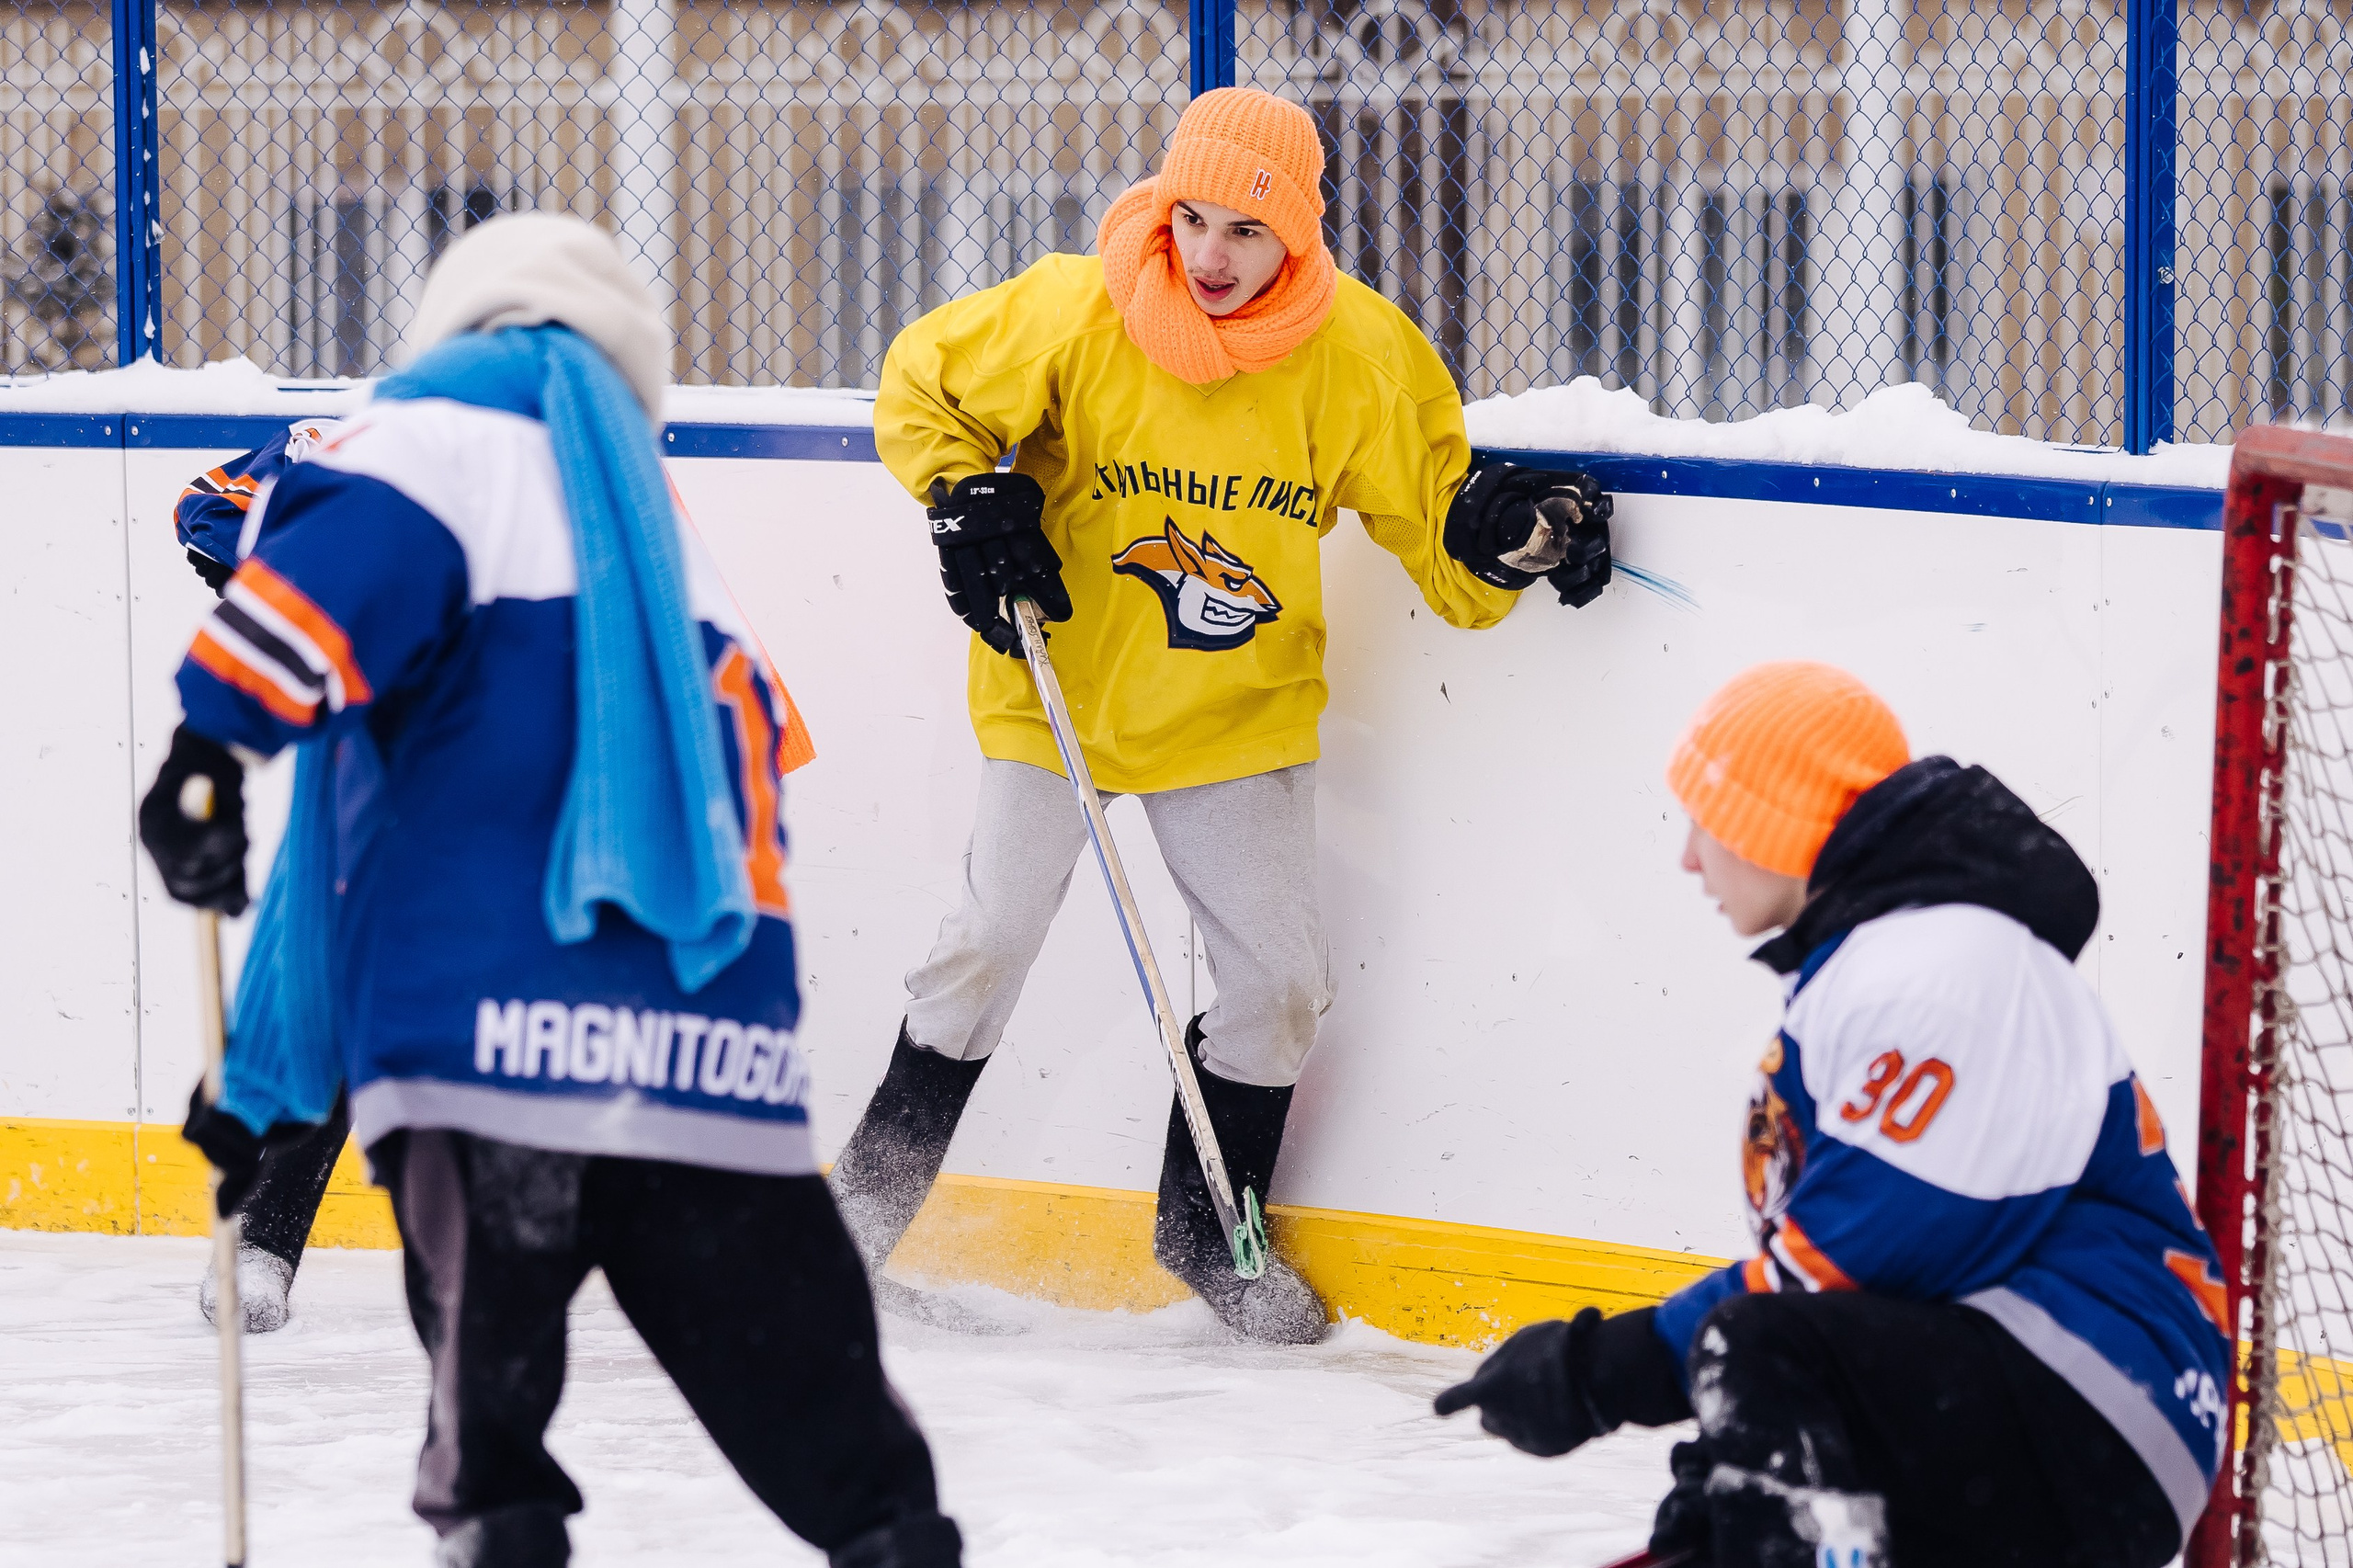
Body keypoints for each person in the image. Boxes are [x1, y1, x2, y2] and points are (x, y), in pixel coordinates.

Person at [138, 213, 960, 1568]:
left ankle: (498, 1528)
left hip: (484, 1055)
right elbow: (747, 804)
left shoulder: (421, 433)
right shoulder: (660, 535)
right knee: (832, 1428)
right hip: (709, 1068)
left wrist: (209, 746)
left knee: (491, 1432)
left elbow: (319, 583)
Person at [837, 85, 1615, 1345]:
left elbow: (1437, 518)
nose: (1207, 253)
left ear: (1297, 237)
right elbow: (922, 386)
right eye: (1192, 218)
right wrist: (967, 500)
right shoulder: (1075, 304)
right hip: (1062, 694)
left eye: (1244, 233)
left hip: (1234, 713)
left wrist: (1508, 537)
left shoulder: (1357, 353)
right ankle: (854, 1227)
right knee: (984, 943)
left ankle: (1208, 1228)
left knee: (1281, 982)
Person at [1433, 662, 2231, 1568]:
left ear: (1771, 818)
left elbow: (1857, 1261)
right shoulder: (1878, 963)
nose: (1688, 855)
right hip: (2040, 1396)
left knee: (1757, 1343)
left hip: (2103, 1399)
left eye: (1706, 817)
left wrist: (1606, 1369)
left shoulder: (1945, 966)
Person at [176, 415, 357, 1334]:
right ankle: (264, 1238)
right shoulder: (372, 440)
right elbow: (212, 504)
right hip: (379, 767)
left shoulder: (576, 475)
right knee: (339, 988)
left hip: (510, 773)